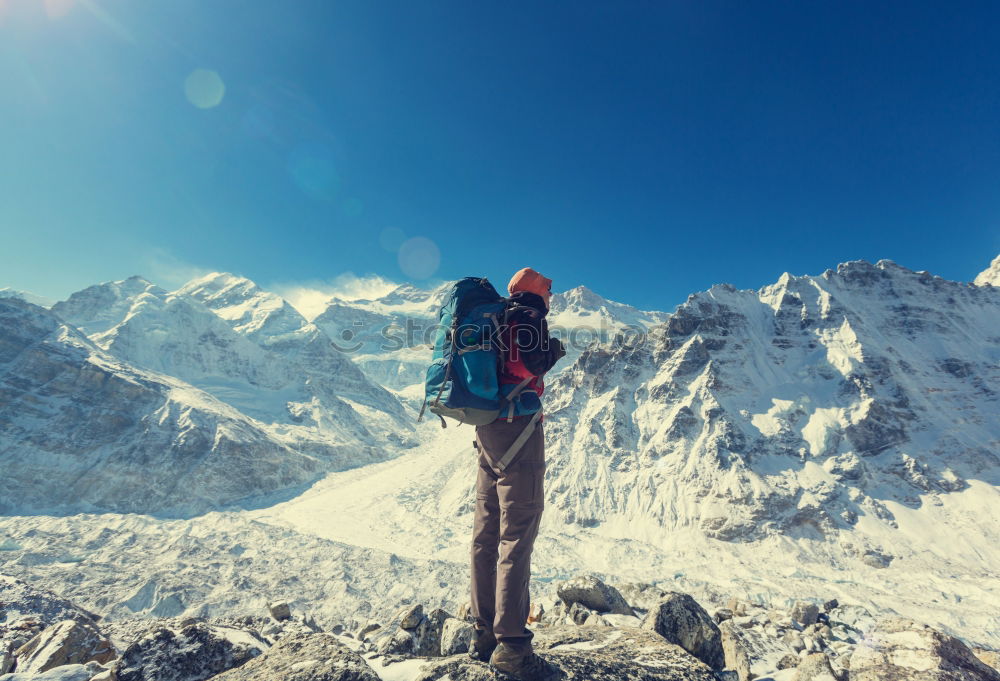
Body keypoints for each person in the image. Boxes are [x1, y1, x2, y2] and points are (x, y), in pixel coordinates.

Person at [469, 267, 565, 678]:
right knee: (516, 535)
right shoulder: (528, 318)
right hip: (519, 431)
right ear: (537, 292)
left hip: (488, 429)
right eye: (548, 289)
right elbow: (529, 363)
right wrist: (555, 349)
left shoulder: (495, 318)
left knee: (486, 533)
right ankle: (511, 645)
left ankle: (483, 633)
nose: (551, 296)